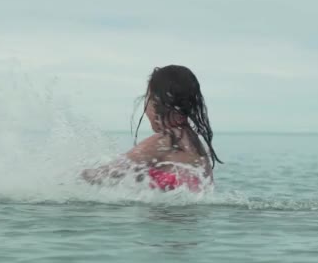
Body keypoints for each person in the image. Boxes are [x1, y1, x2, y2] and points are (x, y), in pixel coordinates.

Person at [81, 65, 222, 191]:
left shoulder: (166, 141)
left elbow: (106, 174)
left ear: (157, 102)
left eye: (147, 98)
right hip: (191, 219)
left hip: (166, 219)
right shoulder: (196, 145)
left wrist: (69, 177)